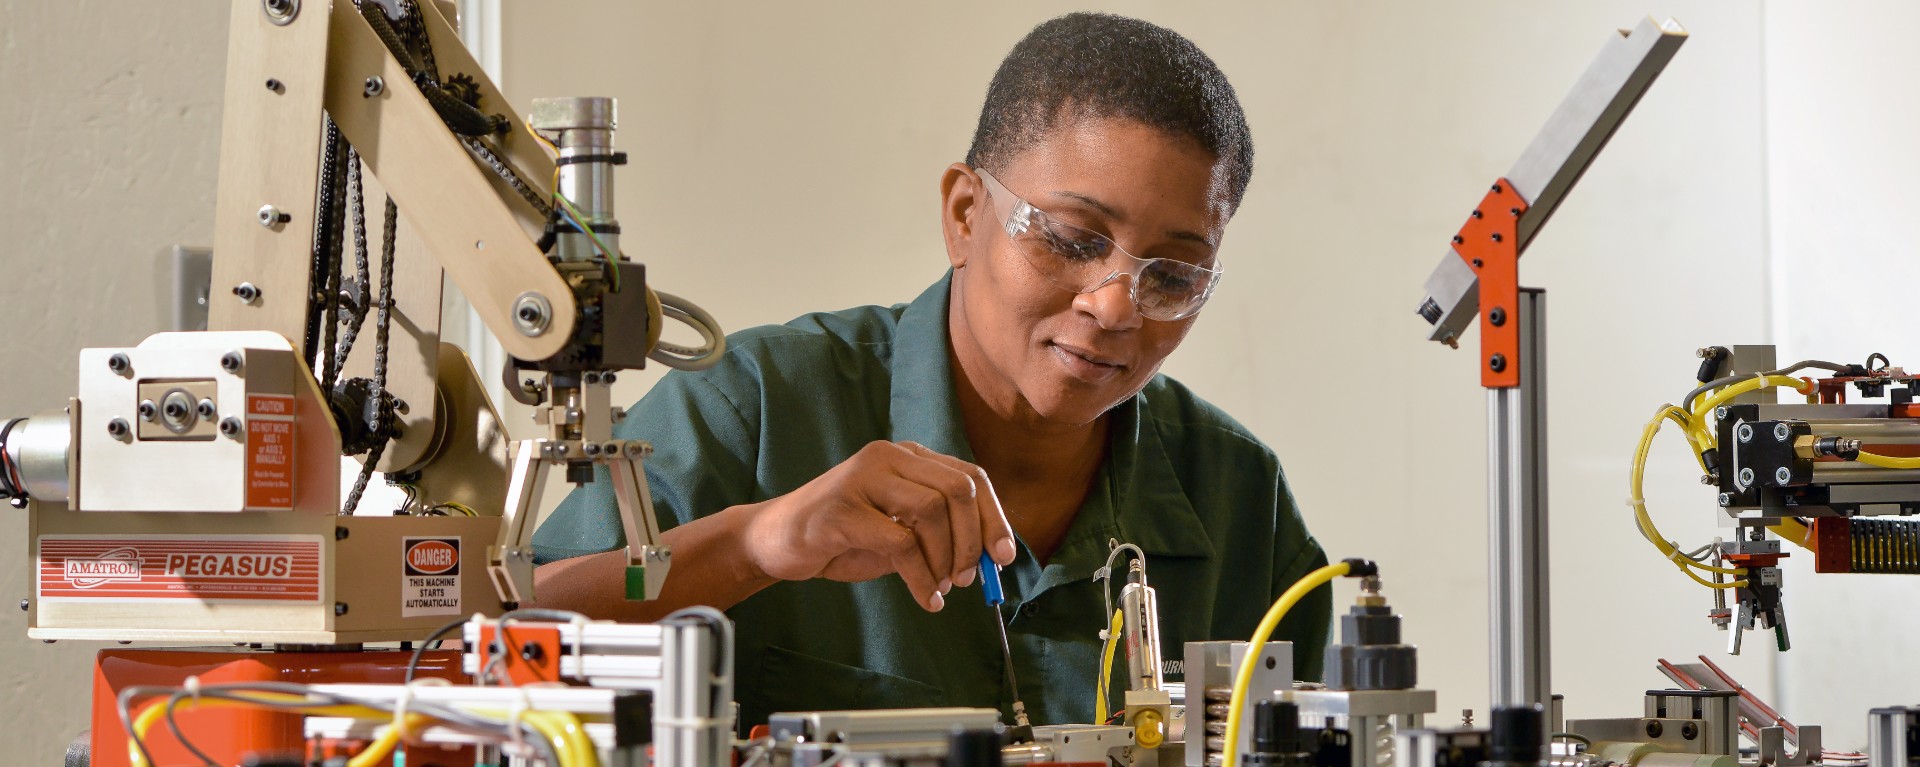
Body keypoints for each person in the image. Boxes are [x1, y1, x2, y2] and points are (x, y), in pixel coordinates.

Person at [531, 11, 1330, 729]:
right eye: (1075, 239)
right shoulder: (753, 412)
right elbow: (484, 649)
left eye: (1172, 275)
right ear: (963, 215)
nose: (1116, 306)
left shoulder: (1242, 508)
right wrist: (754, 543)